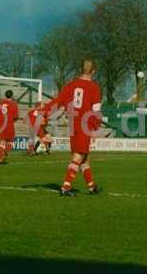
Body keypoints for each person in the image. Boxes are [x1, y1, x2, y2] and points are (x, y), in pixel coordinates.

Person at [44, 59, 101, 196]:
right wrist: (94, 128)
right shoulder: (94, 87)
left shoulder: (70, 85)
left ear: (80, 70)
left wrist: (43, 113)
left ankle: (91, 186)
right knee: (79, 155)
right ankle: (66, 187)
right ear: (93, 71)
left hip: (72, 123)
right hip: (85, 124)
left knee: (84, 157)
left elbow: (58, 102)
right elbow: (96, 111)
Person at [0, 90, 19, 164]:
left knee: (1, 142)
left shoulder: (0, 103)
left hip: (1, 125)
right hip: (10, 125)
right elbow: (16, 117)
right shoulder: (14, 104)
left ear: (5, 95)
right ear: (12, 95)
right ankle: (4, 152)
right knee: (10, 142)